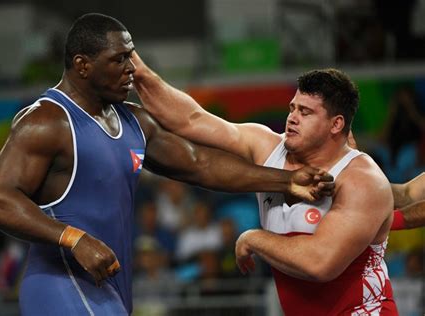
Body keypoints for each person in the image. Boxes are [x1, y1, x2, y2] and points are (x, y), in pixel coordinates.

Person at [0, 13, 334, 316]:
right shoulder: (46, 121)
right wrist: (73, 238)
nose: (130, 70)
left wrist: (286, 181)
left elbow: (201, 164)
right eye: (118, 60)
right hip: (61, 286)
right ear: (82, 65)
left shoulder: (133, 120)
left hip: (108, 287)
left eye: (131, 58)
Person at [133, 55, 398, 314]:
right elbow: (191, 120)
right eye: (292, 108)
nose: (292, 118)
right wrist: (137, 71)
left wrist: (254, 237)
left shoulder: (361, 179)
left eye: (305, 112)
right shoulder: (268, 146)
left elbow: (320, 263)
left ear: (336, 124)